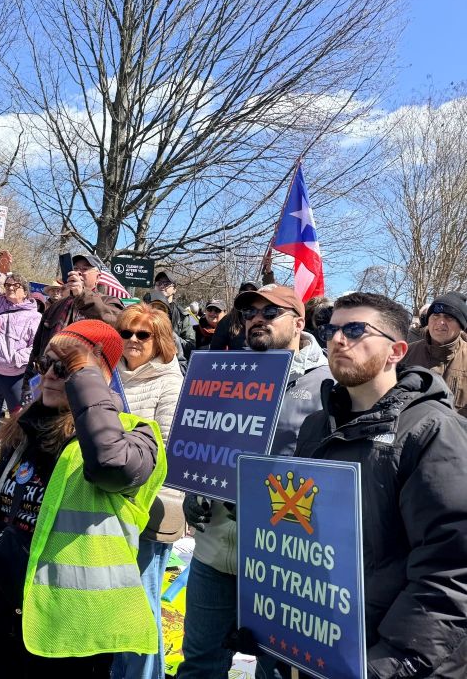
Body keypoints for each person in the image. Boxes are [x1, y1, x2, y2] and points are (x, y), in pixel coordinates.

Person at [0, 319, 164, 678]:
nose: (49, 375)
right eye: (46, 364)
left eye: (65, 368)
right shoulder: (26, 430)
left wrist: (86, 376)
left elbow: (110, 464)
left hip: (74, 631)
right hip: (12, 612)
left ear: (99, 374)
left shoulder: (137, 436)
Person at [294, 292, 467, 677]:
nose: (337, 339)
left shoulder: (433, 431)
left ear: (396, 351)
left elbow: (452, 568)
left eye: (355, 330)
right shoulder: (316, 426)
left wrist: (389, 661)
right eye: (331, 328)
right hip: (326, 639)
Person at [178, 284, 331, 679]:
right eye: (249, 313)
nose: (256, 319)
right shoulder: (224, 370)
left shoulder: (329, 383)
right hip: (215, 548)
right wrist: (198, 486)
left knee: (276, 670)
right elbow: (207, 440)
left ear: (299, 322)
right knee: (199, 663)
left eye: (269, 312)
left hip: (280, 558)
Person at [111, 303, 185, 679]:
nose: (133, 341)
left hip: (149, 504)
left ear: (160, 340)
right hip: (107, 501)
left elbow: (170, 446)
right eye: (126, 333)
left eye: (143, 334)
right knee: (113, 596)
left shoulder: (171, 381)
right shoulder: (108, 374)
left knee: (141, 601)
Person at [26, 252, 125, 378]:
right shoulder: (56, 306)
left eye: (85, 269)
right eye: (75, 269)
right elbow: (37, 349)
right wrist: (27, 385)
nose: (78, 273)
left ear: (98, 277)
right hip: (50, 379)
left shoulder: (109, 302)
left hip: (86, 380)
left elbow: (117, 323)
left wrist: (82, 295)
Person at [0, 251, 41, 430]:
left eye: (15, 286)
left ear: (25, 291)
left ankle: (10, 455)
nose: (10, 288)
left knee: (17, 422)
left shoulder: (34, 317)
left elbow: (35, 346)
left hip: (16, 377)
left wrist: (15, 359)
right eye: (7, 285)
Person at [402, 293, 467, 416]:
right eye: (435, 315)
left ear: (461, 325)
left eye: (449, 317)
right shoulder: (406, 353)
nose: (440, 322)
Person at [149, 271, 194, 351]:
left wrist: (171, 337)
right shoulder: (143, 308)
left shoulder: (183, 314)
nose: (162, 286)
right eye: (158, 283)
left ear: (174, 290)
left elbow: (190, 345)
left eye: (166, 284)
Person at [208, 281, 259, 350]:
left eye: (253, 293)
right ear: (239, 296)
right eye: (244, 292)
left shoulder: (268, 317)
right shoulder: (226, 321)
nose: (248, 296)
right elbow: (215, 351)